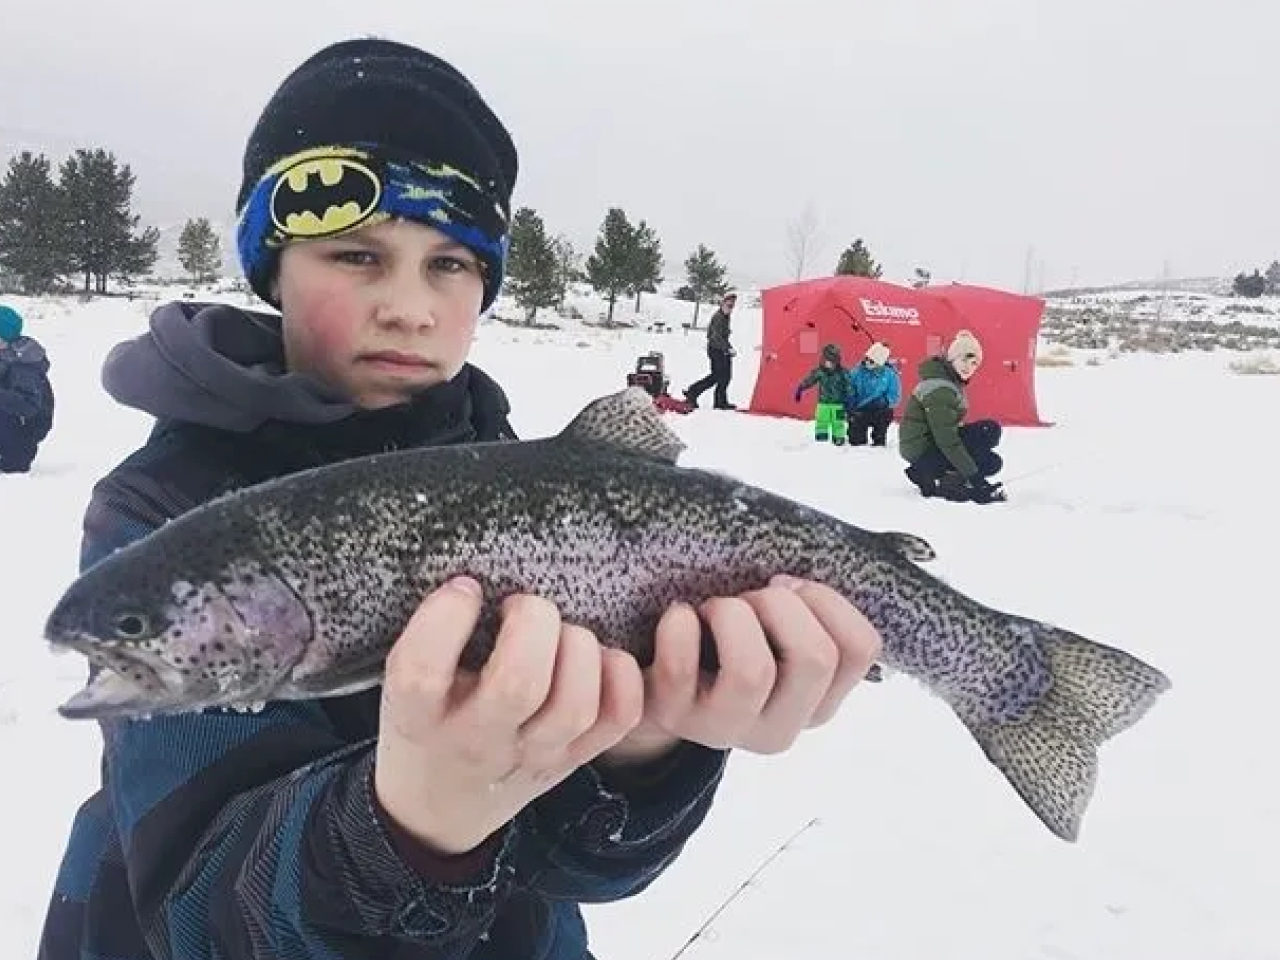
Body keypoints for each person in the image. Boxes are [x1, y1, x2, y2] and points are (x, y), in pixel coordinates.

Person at [37, 38, 883, 960]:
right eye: (358, 255)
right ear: (271, 267)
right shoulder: (169, 506)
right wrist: (409, 822)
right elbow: (206, 917)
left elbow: (582, 870)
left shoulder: (534, 487)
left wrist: (644, 749)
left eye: (451, 264)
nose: (410, 305)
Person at [898, 329, 1006, 503]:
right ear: (952, 358)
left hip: (930, 443)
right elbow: (947, 439)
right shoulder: (940, 388)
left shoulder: (948, 383)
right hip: (922, 449)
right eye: (964, 360)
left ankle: (946, 475)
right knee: (988, 436)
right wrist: (975, 477)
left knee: (990, 456)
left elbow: (948, 431)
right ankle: (926, 470)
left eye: (974, 364)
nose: (968, 367)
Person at [0, 303, 55, 473]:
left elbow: (27, 407)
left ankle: (12, 461)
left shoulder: (23, 365)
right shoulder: (5, 356)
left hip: (22, 436)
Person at [683, 291, 737, 410]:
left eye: (732, 306)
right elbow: (715, 337)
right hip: (716, 350)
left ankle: (719, 401)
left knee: (724, 377)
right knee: (718, 377)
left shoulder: (725, 316)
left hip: (722, 350)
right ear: (723, 304)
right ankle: (695, 393)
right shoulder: (718, 317)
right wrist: (727, 348)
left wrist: (728, 348)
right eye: (729, 305)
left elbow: (722, 336)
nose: (730, 308)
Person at [793, 342, 853, 445]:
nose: (828, 363)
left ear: (837, 361)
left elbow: (849, 385)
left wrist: (850, 398)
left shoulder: (843, 372)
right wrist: (801, 388)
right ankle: (821, 436)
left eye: (831, 361)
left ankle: (838, 437)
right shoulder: (820, 371)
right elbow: (810, 380)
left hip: (838, 404)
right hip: (823, 403)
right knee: (821, 420)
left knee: (838, 422)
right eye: (826, 360)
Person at [844, 341, 900, 447]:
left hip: (879, 410)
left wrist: (885, 402)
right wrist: (850, 406)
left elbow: (894, 395)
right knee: (856, 440)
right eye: (866, 359)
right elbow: (849, 390)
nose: (867, 362)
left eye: (872, 361)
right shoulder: (856, 373)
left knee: (884, 416)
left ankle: (879, 441)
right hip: (860, 409)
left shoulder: (890, 375)